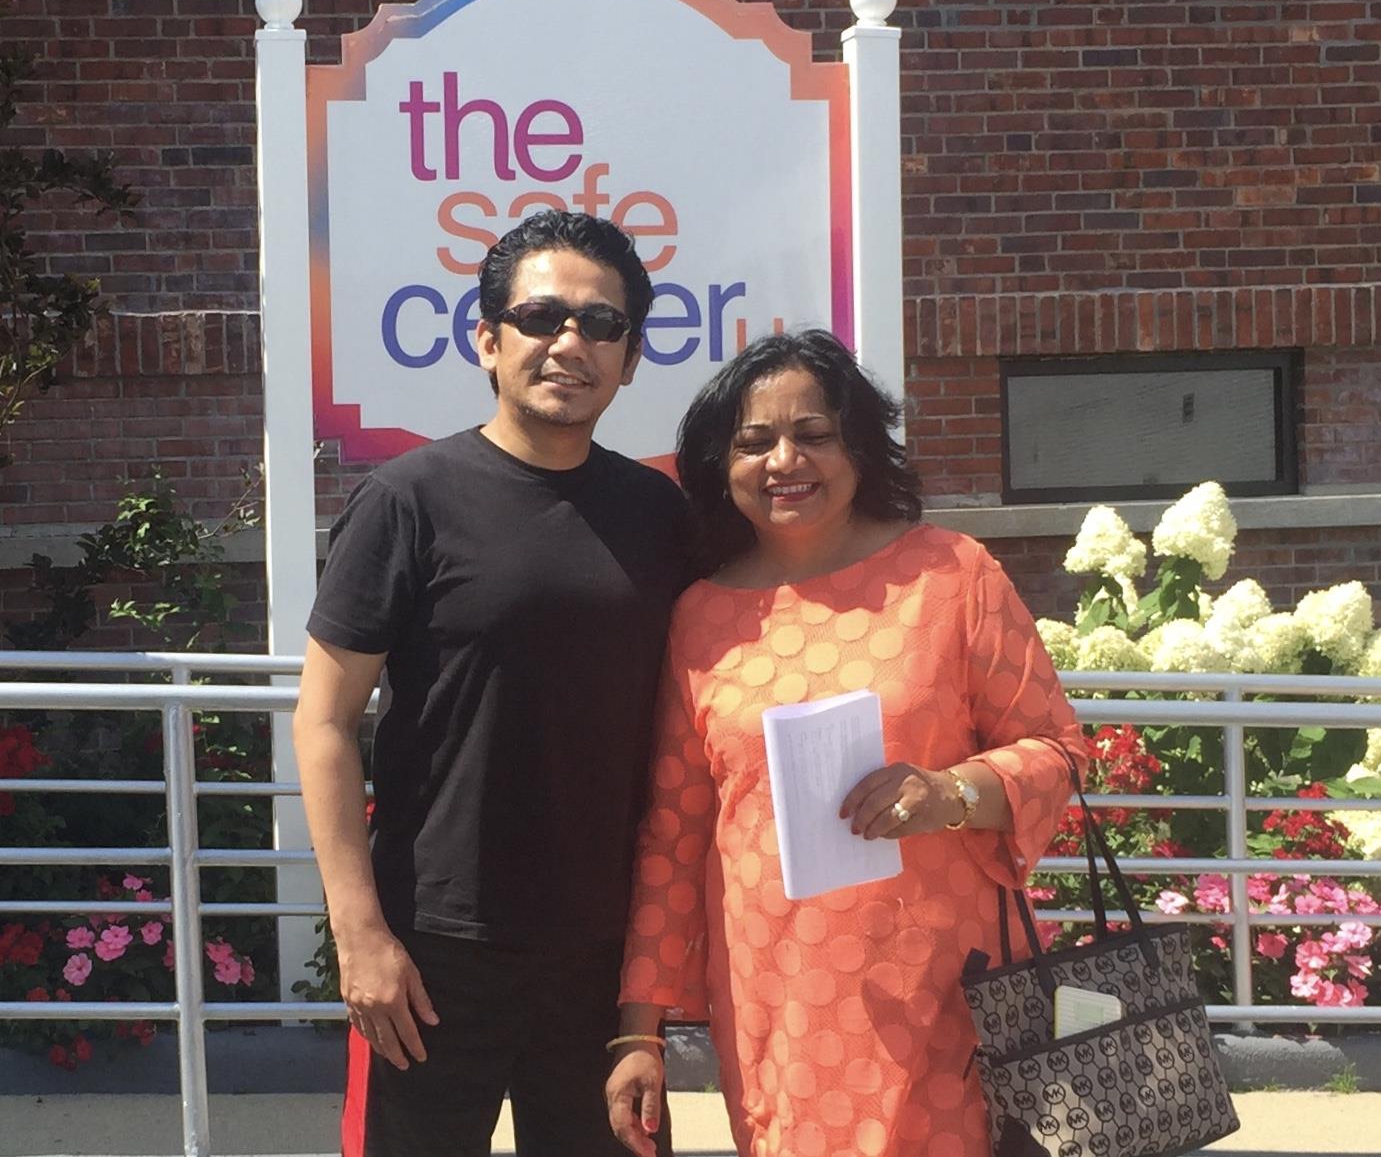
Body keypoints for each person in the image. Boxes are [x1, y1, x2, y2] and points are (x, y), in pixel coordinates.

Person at [605, 330, 1086, 1157]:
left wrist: (949, 792)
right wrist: (636, 1030)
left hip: (950, 989)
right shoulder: (702, 617)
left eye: (812, 434)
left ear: (858, 444)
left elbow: (1056, 750)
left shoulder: (950, 575)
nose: (783, 461)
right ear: (721, 466)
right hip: (778, 1001)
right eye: (753, 442)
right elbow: (674, 836)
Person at [293, 210, 688, 1157]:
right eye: (540, 317)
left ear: (631, 357)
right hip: (432, 947)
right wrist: (359, 936)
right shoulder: (408, 500)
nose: (569, 343)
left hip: (604, 953)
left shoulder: (661, 516)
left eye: (601, 324)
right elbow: (324, 722)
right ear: (486, 339)